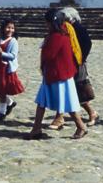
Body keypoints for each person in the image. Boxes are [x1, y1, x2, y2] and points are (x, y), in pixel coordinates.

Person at [25, 9, 88, 140]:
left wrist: (44, 46)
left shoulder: (57, 37)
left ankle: (81, 126)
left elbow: (49, 54)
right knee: (42, 101)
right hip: (53, 74)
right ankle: (36, 128)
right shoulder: (61, 34)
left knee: (66, 103)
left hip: (59, 75)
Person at [48, 7, 98, 129]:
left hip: (77, 64)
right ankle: (90, 113)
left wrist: (79, 59)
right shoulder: (67, 28)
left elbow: (87, 44)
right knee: (71, 90)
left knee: (74, 90)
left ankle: (60, 118)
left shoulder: (79, 29)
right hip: (69, 63)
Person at [0, 19, 24, 121]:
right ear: (3, 28)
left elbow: (13, 55)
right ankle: (10, 103)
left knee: (2, 90)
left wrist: (1, 53)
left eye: (12, 28)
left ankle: (1, 112)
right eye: (8, 27)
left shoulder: (13, 41)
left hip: (7, 68)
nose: (10, 30)